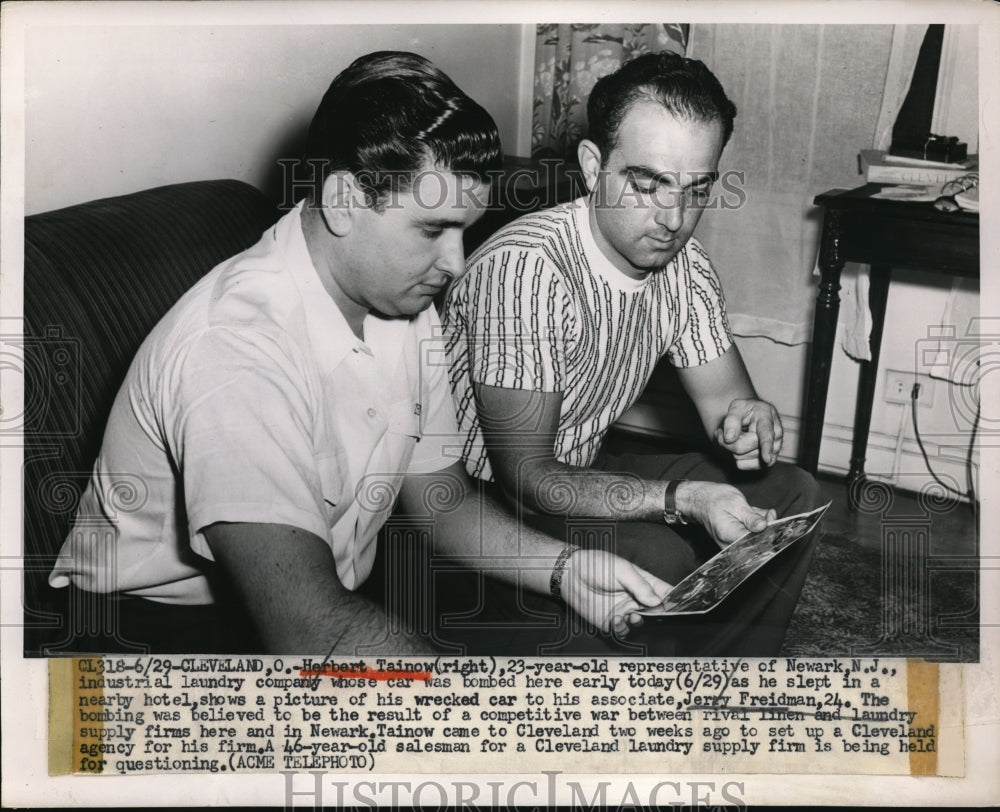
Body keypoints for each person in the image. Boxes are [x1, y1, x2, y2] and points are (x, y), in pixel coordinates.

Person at [48, 51, 672, 655]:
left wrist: (565, 568)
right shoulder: (234, 350)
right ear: (345, 200)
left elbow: (439, 500)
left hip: (327, 593)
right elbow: (308, 631)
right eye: (432, 230)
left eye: (464, 231)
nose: (455, 264)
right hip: (152, 636)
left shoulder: (402, 301)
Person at [442, 51, 822, 656]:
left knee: (791, 494)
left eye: (695, 189)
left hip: (577, 471)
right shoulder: (527, 269)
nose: (673, 218)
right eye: (647, 185)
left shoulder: (685, 266)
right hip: (470, 513)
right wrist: (683, 501)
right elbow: (528, 480)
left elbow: (730, 407)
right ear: (593, 167)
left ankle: (727, 677)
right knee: (662, 555)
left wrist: (752, 420)